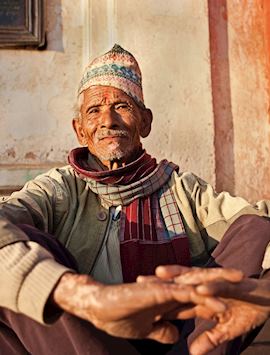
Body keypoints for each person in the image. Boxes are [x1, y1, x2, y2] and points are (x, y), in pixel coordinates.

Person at [0, 44, 270, 354]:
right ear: (80, 132)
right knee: (19, 242)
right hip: (82, 344)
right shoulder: (59, 188)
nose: (108, 120)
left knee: (255, 228)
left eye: (122, 106)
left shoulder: (183, 190)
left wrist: (265, 293)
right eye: (94, 111)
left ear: (145, 122)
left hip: (180, 345)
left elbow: (258, 226)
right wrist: (81, 295)